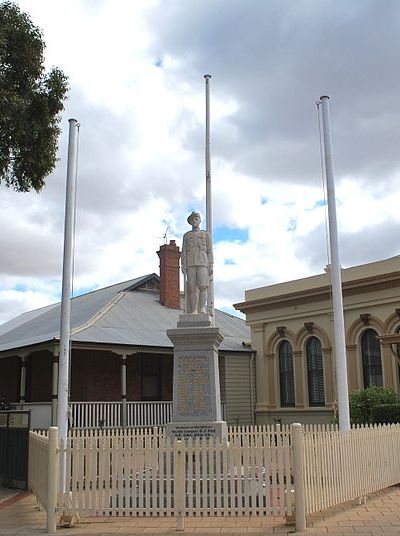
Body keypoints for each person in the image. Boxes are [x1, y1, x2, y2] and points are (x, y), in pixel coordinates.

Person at [181, 211, 213, 314]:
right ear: (190, 222)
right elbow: (184, 251)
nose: (194, 221)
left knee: (203, 286)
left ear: (199, 220)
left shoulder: (205, 235)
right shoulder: (186, 235)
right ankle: (194, 309)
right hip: (190, 263)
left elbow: (210, 251)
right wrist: (183, 264)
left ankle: (202, 308)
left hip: (202, 262)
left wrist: (210, 264)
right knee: (192, 287)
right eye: (192, 220)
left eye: (196, 219)